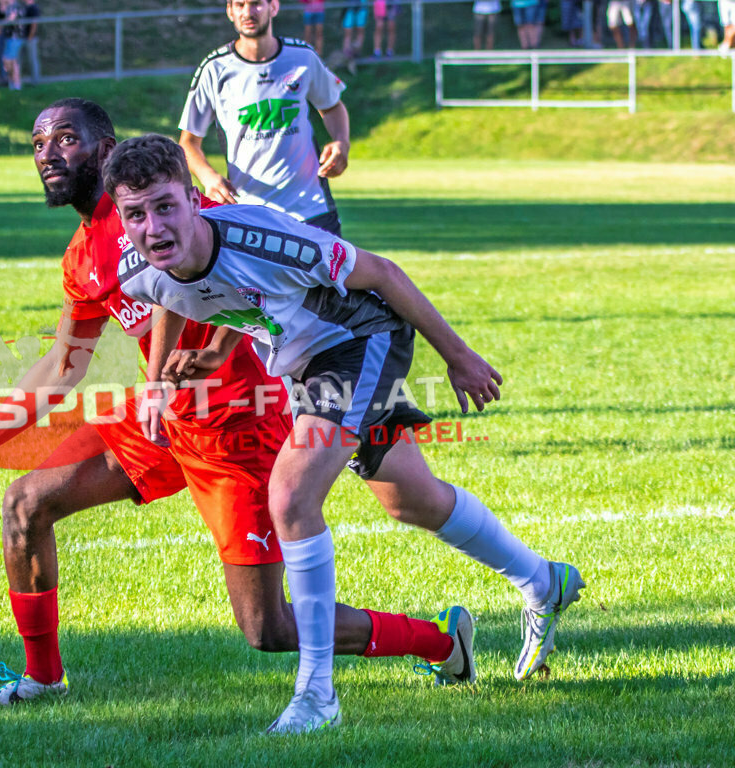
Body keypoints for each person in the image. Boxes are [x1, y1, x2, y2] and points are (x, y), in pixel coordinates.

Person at [0, 97, 477, 711]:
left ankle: (439, 640)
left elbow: (248, 273)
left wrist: (214, 348)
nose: (48, 154)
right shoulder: (84, 257)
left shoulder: (172, 205)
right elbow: (62, 366)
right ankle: (42, 679)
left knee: (269, 629)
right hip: (162, 420)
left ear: (103, 151)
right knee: (26, 503)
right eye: (38, 144)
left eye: (64, 140)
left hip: (240, 427)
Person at [108, 134, 585, 733]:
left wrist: (457, 356)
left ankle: (317, 696)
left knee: (290, 497)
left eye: (165, 206)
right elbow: (184, 293)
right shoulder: (140, 264)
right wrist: (169, 375)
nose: (152, 226)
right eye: (135, 214)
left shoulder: (265, 236)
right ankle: (544, 582)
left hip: (359, 340)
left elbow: (382, 273)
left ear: (194, 199)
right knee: (411, 499)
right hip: (305, 365)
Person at [179, 0, 350, 236]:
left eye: (257, 4)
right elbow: (188, 142)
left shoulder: (303, 57)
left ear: (274, 7)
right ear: (230, 11)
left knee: (331, 274)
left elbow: (332, 106)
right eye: (240, 5)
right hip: (249, 212)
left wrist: (342, 141)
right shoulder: (215, 69)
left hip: (312, 209)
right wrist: (208, 177)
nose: (248, 12)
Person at [0, 0, 24, 91]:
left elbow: (11, 18)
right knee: (10, 61)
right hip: (9, 38)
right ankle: (13, 84)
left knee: (11, 61)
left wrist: (1, 23)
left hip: (14, 38)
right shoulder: (8, 6)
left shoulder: (15, 6)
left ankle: (17, 84)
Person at [341, 0, 369, 69]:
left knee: (360, 30)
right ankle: (346, 54)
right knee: (348, 32)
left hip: (362, 7)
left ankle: (357, 53)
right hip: (349, 7)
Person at [22, 0, 40, 84]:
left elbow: (34, 24)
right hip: (22, 38)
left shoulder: (34, 8)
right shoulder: (24, 8)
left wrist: (30, 36)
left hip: (30, 38)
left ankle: (35, 81)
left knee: (32, 60)